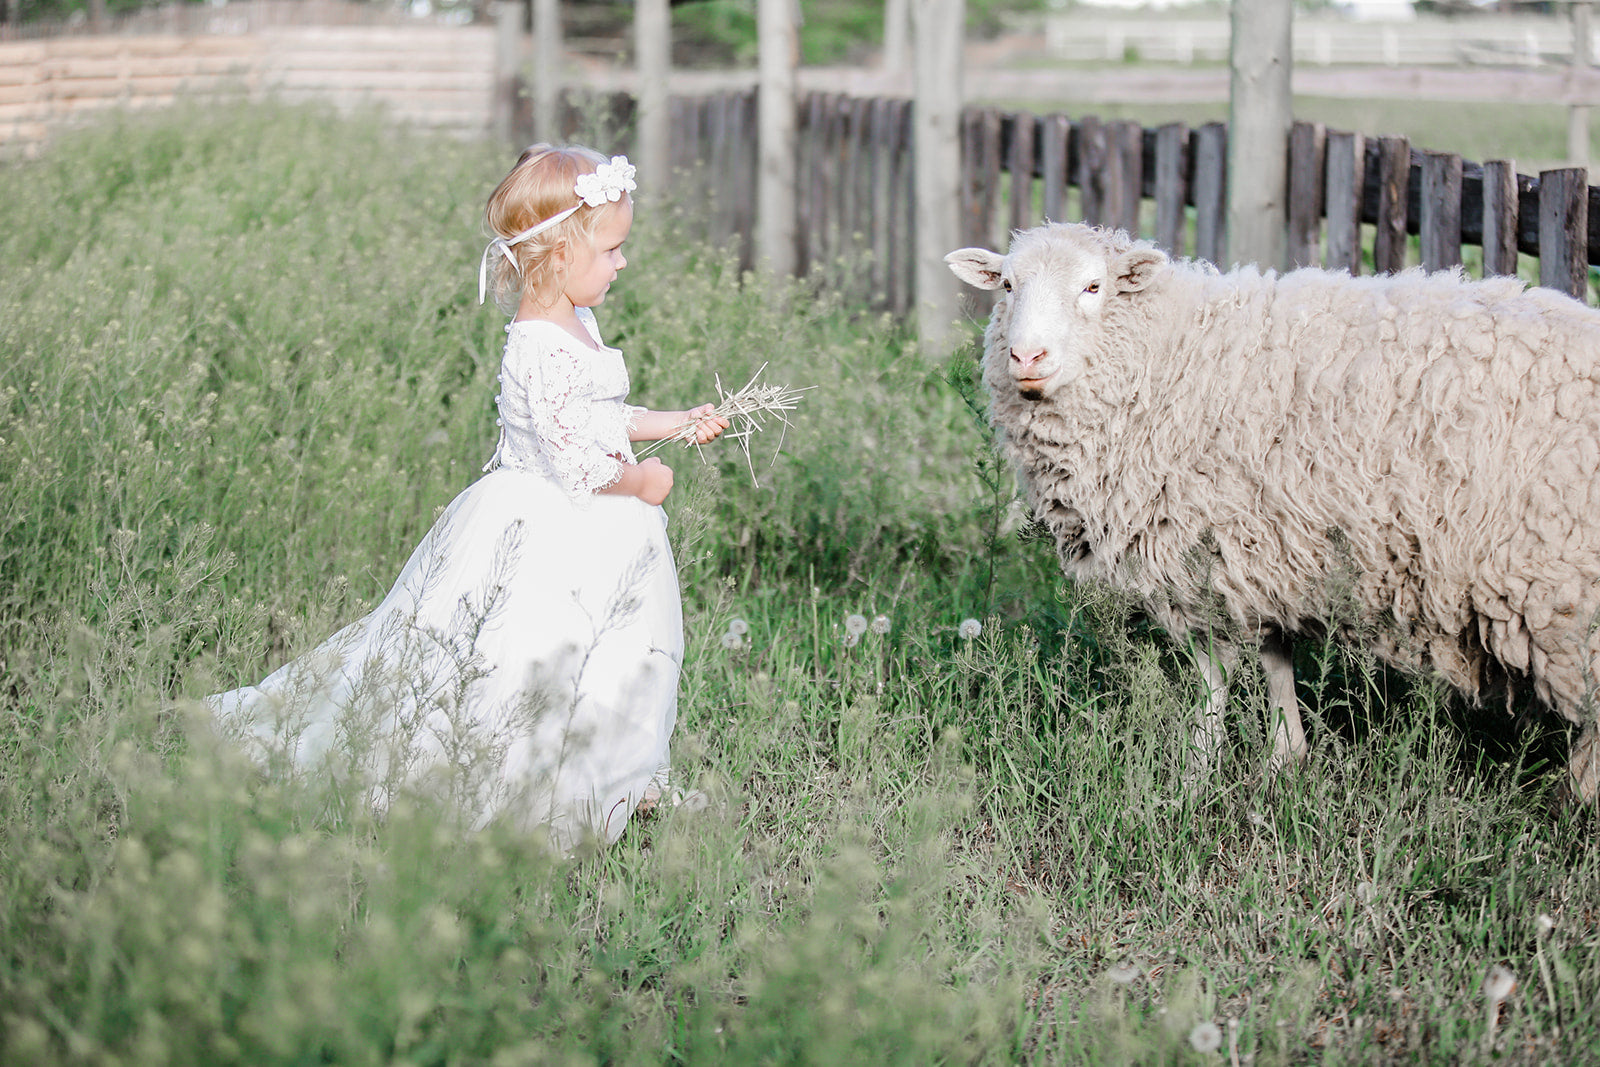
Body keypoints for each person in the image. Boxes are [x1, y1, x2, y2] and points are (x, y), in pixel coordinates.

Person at [208, 144, 728, 852]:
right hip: (545, 526)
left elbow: (598, 419)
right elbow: (575, 459)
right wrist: (641, 481)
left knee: (614, 650)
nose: (622, 262)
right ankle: (519, 783)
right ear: (557, 258)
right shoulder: (537, 344)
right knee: (526, 654)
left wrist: (677, 421)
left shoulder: (579, 322)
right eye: (610, 250)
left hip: (596, 524)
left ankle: (613, 772)